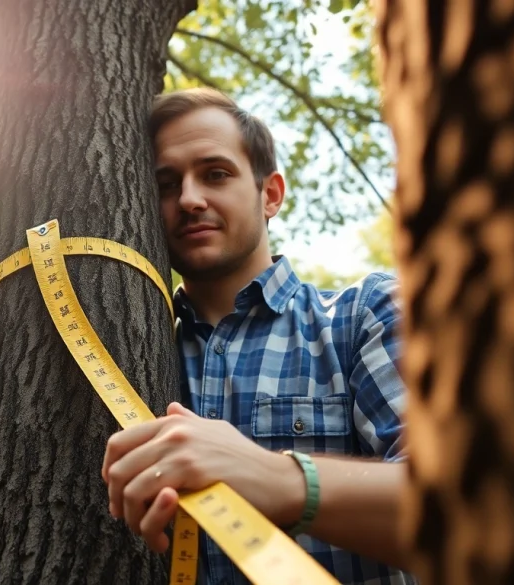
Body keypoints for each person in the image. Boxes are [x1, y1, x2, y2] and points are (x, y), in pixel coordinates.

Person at [100, 87, 415, 585]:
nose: (189, 199)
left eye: (215, 174)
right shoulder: (127, 351)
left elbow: (470, 510)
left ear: (269, 194)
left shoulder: (363, 315)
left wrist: (280, 480)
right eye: (165, 184)